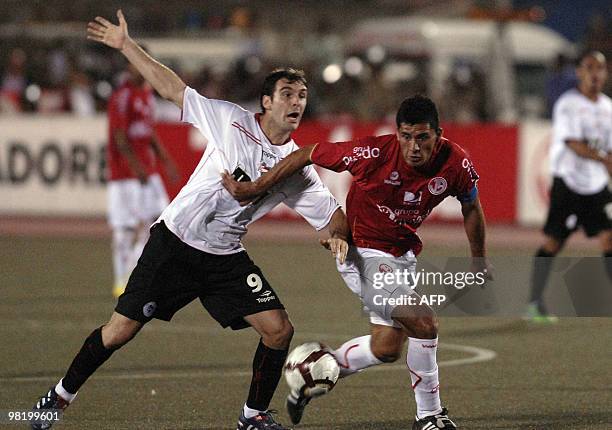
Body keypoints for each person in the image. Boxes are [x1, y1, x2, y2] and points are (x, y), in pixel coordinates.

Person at [30, 10, 349, 430]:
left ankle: (252, 415)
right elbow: (173, 89)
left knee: (278, 331)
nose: (297, 102)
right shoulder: (229, 119)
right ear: (266, 101)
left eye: (302, 95)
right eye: (287, 93)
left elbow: (332, 215)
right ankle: (57, 397)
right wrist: (127, 45)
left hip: (225, 258)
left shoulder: (296, 168)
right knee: (119, 331)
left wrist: (339, 238)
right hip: (175, 243)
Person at [223, 94, 491, 429]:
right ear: (397, 134)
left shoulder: (456, 164)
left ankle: (314, 373)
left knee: (386, 348)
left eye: (422, 137)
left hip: (401, 257)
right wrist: (256, 187)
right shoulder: (374, 153)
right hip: (362, 254)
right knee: (424, 323)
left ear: (438, 134)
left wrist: (479, 261)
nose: (413, 147)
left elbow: (471, 208)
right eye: (406, 136)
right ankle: (430, 417)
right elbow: (308, 153)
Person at [526, 50, 612, 323]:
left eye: (600, 68)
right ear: (579, 72)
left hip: (596, 186)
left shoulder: (608, 107)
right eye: (589, 67)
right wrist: (604, 159)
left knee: (610, 237)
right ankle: (534, 302)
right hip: (570, 184)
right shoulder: (568, 104)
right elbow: (573, 143)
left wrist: (606, 160)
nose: (595, 73)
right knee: (554, 242)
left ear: (606, 73)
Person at [107, 60, 179, 298]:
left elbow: (149, 133)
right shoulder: (122, 95)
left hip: (147, 173)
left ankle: (133, 272)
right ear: (130, 66)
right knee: (124, 229)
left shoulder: (147, 96)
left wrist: (166, 161)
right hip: (124, 175)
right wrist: (135, 166)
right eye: (139, 64)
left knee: (165, 222)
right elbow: (119, 135)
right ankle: (121, 281)